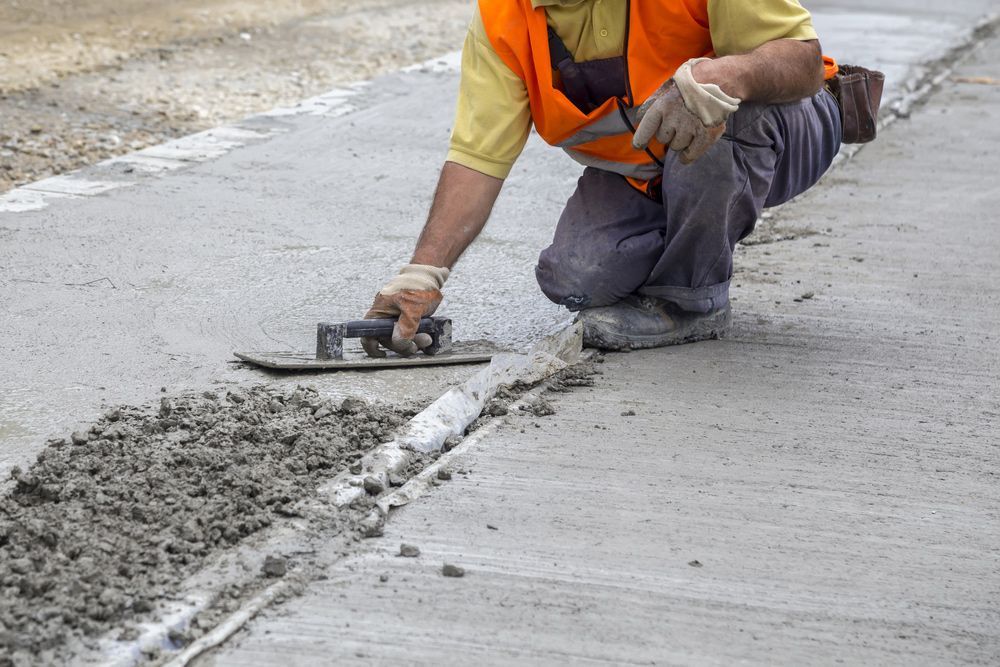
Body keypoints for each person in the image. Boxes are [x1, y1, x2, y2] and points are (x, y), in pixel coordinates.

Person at [360, 0, 842, 358]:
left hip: (782, 129)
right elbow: (476, 158)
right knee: (574, 278)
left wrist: (725, 75)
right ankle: (679, 247)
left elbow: (802, 60)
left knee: (720, 108)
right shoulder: (505, 18)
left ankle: (692, 300)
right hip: (647, 173)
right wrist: (423, 274)